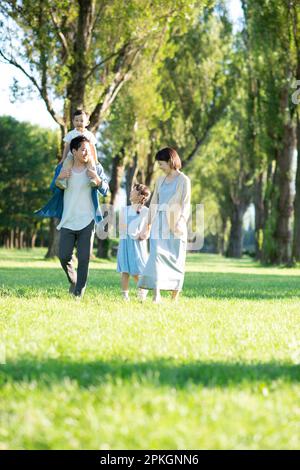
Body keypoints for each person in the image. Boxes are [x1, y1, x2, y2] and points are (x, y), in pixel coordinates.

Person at [36, 135, 109, 298]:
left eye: (88, 150)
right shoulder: (63, 168)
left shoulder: (95, 168)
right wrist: (60, 178)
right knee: (63, 256)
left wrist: (97, 180)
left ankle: (78, 292)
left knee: (84, 258)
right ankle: (74, 280)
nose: (86, 153)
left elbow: (106, 189)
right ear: (74, 151)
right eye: (83, 149)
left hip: (87, 219)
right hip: (68, 219)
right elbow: (53, 188)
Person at [138, 148, 191, 303]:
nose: (159, 167)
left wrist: (181, 221)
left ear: (170, 161)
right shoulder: (160, 180)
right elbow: (154, 202)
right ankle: (156, 295)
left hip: (175, 224)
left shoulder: (184, 180)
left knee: (176, 259)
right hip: (159, 224)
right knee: (155, 257)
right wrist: (147, 225)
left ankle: (174, 297)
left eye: (161, 163)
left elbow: (186, 204)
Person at [115, 183, 151, 302]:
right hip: (125, 242)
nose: (130, 192)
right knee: (125, 270)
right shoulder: (124, 210)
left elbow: (148, 227)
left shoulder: (146, 211)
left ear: (140, 196)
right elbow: (122, 227)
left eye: (133, 191)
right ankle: (125, 295)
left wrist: (145, 233)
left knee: (136, 270)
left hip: (137, 244)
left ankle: (142, 288)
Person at [56, 109, 98, 189]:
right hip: (73, 156)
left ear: (87, 123)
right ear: (73, 121)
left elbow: (93, 148)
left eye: (82, 121)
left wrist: (96, 159)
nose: (79, 123)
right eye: (76, 120)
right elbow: (67, 147)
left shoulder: (89, 135)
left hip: (86, 156)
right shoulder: (71, 134)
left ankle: (93, 179)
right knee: (67, 163)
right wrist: (63, 159)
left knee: (91, 163)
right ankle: (63, 181)